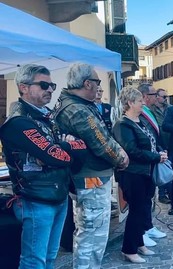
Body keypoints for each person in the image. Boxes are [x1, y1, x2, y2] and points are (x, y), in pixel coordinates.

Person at [0, 64, 86, 268]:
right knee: (33, 261)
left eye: (52, 85)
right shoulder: (18, 122)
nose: (50, 89)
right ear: (24, 87)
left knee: (50, 257)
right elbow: (55, 156)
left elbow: (82, 147)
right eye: (44, 85)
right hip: (36, 199)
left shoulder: (49, 116)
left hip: (59, 195)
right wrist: (62, 148)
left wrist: (60, 148)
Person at [53, 62, 129, 268]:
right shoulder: (78, 109)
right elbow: (101, 141)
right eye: (96, 82)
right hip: (91, 176)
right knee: (93, 233)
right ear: (87, 83)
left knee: (88, 230)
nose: (98, 86)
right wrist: (121, 158)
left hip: (86, 175)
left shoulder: (71, 103)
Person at [112, 87, 167, 263]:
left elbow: (151, 141)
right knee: (136, 211)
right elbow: (132, 151)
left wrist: (160, 151)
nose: (143, 103)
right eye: (139, 101)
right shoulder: (123, 124)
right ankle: (129, 249)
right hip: (133, 174)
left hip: (146, 172)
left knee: (144, 209)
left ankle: (139, 242)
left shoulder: (140, 121)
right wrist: (156, 157)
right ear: (129, 103)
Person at [136, 84, 167, 247]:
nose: (157, 97)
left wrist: (160, 150)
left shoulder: (151, 111)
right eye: (154, 94)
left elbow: (154, 135)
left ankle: (148, 226)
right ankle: (141, 229)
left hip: (153, 157)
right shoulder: (139, 113)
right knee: (142, 199)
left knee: (149, 196)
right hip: (143, 162)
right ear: (145, 96)